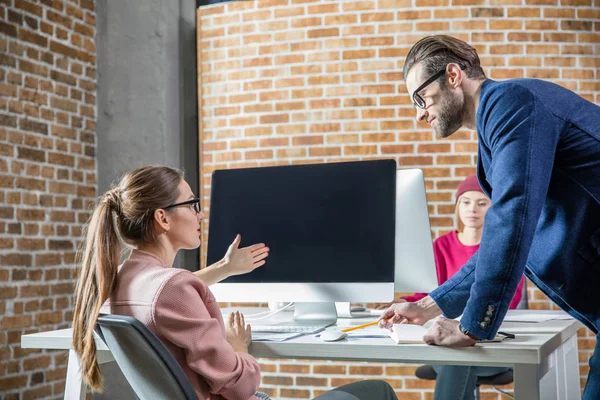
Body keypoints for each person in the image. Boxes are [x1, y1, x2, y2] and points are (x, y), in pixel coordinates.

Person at [379, 35, 600, 400]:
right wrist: (426, 306)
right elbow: (509, 237)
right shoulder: (503, 120)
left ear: (452, 75)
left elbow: (512, 218)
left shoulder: (510, 103)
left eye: (420, 98)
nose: (419, 113)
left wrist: (472, 326)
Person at [73, 165, 398, 400]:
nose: (200, 215)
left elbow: (163, 296)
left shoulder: (115, 284)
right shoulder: (172, 289)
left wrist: (225, 267)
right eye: (191, 204)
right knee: (378, 391)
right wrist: (238, 348)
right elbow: (242, 387)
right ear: (163, 218)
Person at [378, 175, 525, 399]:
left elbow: (508, 298)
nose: (472, 209)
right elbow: (427, 294)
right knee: (455, 360)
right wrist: (406, 302)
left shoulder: (505, 249)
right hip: (446, 338)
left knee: (453, 363)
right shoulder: (442, 245)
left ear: (494, 208)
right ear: (457, 206)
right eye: (465, 202)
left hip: (488, 344)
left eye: (482, 203)